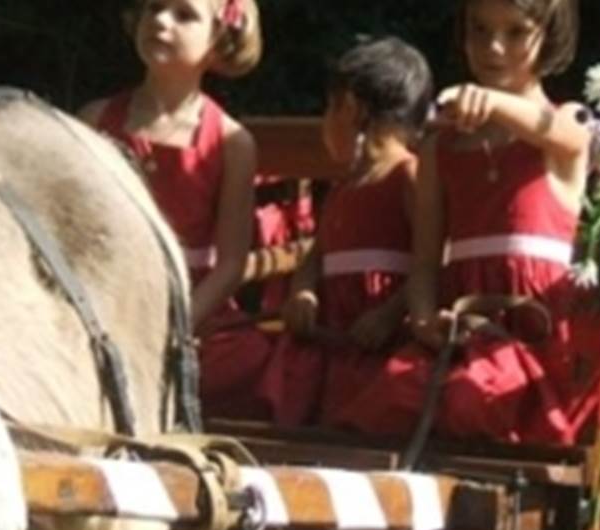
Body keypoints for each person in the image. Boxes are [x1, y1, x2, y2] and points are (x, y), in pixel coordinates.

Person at [335, 0, 593, 444]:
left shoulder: (568, 123)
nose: (493, 47)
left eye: (515, 33)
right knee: (386, 402)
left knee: (472, 403)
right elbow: (424, 263)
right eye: (479, 29)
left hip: (537, 333)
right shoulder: (441, 147)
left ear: (548, 35)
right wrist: (422, 319)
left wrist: (492, 102)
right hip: (463, 328)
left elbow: (559, 131)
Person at [81, 0, 267, 419]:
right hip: (104, 294)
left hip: (188, 308)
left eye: (184, 15)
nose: (161, 21)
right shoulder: (95, 119)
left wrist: (177, 324)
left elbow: (230, 265)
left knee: (244, 361)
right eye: (153, 8)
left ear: (218, 38)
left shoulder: (232, 142)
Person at [257, 37, 432, 428]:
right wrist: (303, 290)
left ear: (351, 108)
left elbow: (432, 261)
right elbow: (316, 256)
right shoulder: (341, 188)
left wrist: (390, 315)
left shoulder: (409, 176)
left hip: (381, 343)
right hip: (334, 343)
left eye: (328, 109)